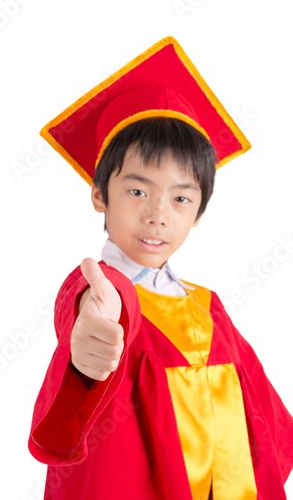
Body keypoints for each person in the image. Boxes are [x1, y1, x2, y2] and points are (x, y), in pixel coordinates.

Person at [28, 37, 293, 500]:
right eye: (137, 191)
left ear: (199, 212)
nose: (158, 214)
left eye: (180, 198)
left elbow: (263, 416)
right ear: (99, 195)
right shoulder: (103, 288)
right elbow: (92, 309)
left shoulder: (208, 306)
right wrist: (87, 347)